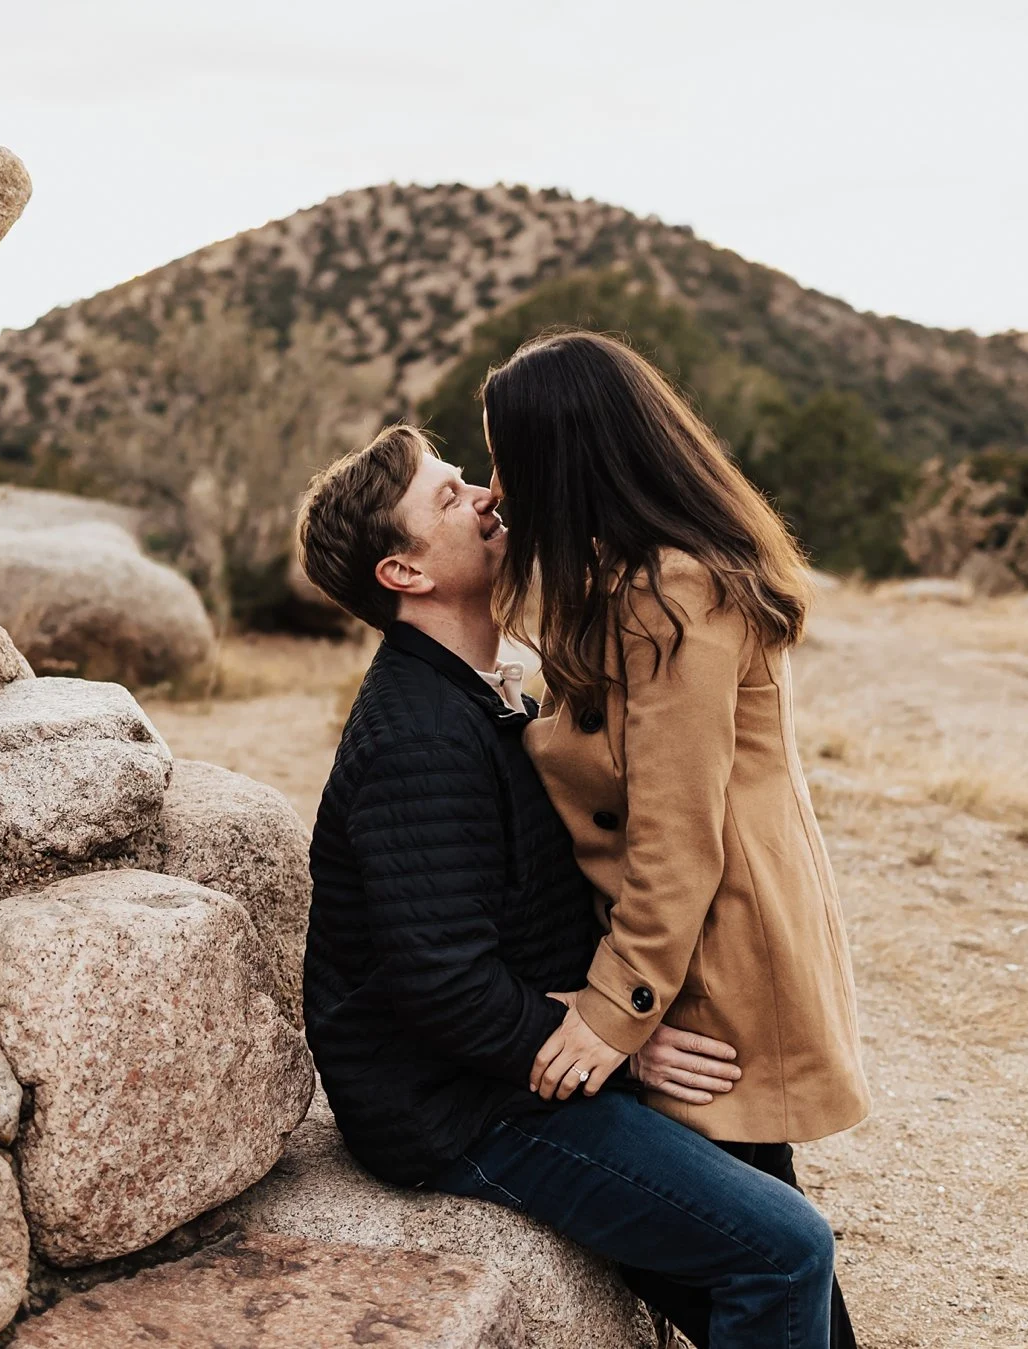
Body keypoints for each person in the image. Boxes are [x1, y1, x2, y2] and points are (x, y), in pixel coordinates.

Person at [299, 424, 843, 1347]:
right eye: (450, 495)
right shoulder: (417, 738)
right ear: (405, 572)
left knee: (762, 1170)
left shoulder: (484, 692)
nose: (486, 496)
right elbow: (442, 983)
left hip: (514, 1065)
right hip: (460, 1107)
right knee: (783, 1248)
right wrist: (623, 1049)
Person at [480, 330, 872, 1347]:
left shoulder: (672, 596)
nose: (496, 491)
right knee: (765, 1231)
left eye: (506, 461)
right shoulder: (639, 580)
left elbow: (674, 835)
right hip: (704, 939)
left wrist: (612, 1014)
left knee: (751, 1229)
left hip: (709, 951)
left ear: (563, 460)